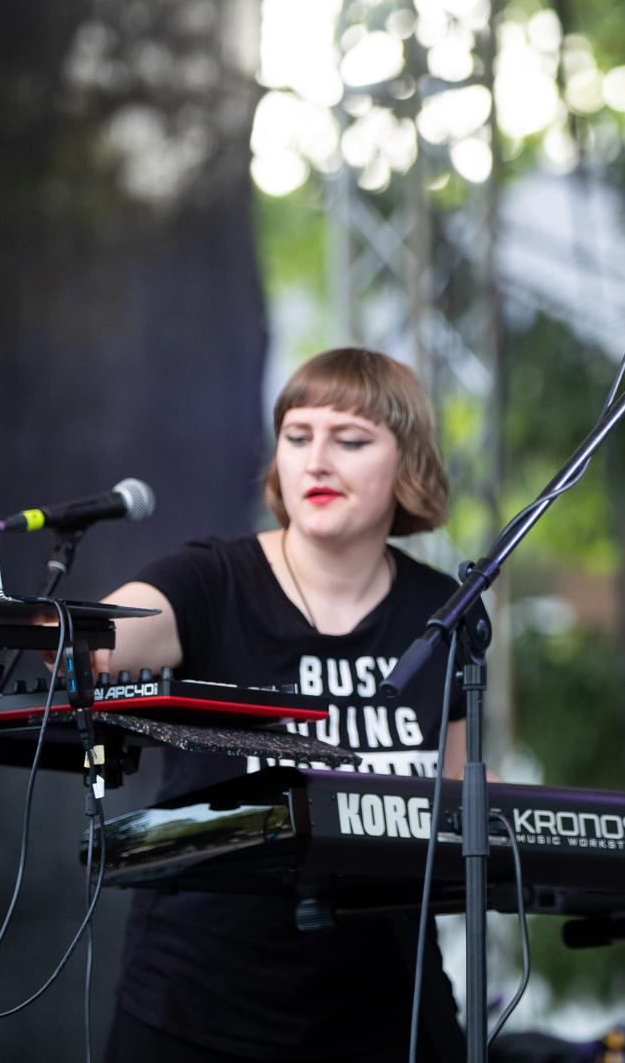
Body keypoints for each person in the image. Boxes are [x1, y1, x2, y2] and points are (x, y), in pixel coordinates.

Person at [98, 348, 469, 1062]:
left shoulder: (441, 612)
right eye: (298, 437)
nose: (316, 462)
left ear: (409, 462)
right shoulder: (210, 580)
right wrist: (74, 637)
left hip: (387, 1003)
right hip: (197, 1006)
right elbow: (106, 637)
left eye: (350, 440)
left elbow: (452, 802)